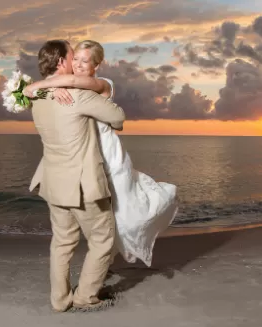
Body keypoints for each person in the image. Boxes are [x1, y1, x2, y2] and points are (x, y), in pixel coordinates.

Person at [25, 40, 178, 268]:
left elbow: (76, 82)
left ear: (97, 64)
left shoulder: (102, 84)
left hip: (107, 154)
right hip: (86, 156)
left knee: (124, 210)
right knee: (106, 221)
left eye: (84, 60)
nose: (77, 64)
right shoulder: (68, 89)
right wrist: (55, 88)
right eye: (75, 58)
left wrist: (35, 86)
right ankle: (99, 269)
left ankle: (119, 249)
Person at [27, 39, 126, 313]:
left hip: (53, 183)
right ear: (61, 62)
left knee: (62, 242)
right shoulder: (78, 97)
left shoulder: (37, 98)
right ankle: (85, 296)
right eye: (72, 57)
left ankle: (60, 300)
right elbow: (118, 118)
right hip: (83, 185)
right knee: (102, 239)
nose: (75, 63)